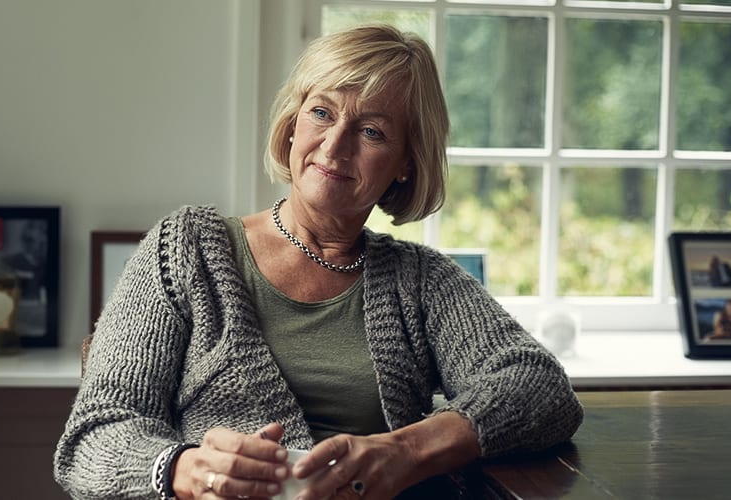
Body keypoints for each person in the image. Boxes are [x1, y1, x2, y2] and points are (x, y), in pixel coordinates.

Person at [54, 24, 583, 499]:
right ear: (291, 126)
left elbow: (538, 386)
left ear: (405, 164)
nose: (334, 146)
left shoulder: (419, 280)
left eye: (372, 131)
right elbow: (95, 438)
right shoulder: (184, 250)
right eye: (322, 113)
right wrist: (186, 471)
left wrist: (404, 451)